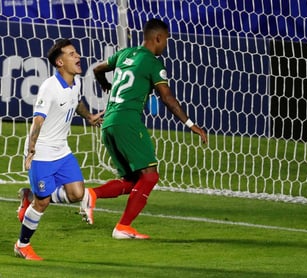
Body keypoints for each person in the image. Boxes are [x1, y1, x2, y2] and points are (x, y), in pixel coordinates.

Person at [87, 18, 207, 239]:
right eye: (166, 40)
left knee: (132, 181)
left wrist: (104, 83)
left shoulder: (124, 54)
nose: (166, 45)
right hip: (127, 122)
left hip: (109, 123)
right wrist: (192, 125)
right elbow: (168, 99)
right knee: (150, 176)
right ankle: (123, 227)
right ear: (158, 38)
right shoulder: (152, 63)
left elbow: (97, 69)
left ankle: (90, 194)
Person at [14, 39, 104, 260]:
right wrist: (31, 151)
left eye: (76, 53)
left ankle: (30, 196)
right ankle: (22, 245)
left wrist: (89, 116)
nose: (78, 57)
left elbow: (77, 101)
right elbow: (37, 120)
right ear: (60, 62)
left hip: (62, 150)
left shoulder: (77, 82)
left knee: (77, 193)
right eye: (72, 54)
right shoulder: (49, 87)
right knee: (42, 203)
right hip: (42, 152)